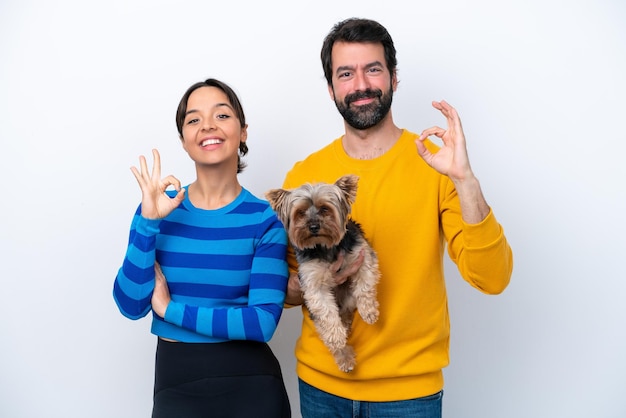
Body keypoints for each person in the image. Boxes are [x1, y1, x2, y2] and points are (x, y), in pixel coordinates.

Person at [280, 18, 514, 417]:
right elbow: (282, 291)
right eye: (346, 73)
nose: (361, 85)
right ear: (331, 87)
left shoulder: (433, 165)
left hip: (410, 394)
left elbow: (492, 278)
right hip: (321, 386)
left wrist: (465, 179)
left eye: (373, 69)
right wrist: (320, 282)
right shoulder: (304, 175)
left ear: (394, 78)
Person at [113, 78, 291, 417]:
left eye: (221, 115)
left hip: (252, 386)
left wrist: (170, 311)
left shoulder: (265, 219)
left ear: (243, 132)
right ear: (183, 140)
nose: (207, 125)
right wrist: (148, 221)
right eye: (194, 119)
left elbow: (262, 322)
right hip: (175, 382)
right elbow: (131, 304)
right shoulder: (158, 209)